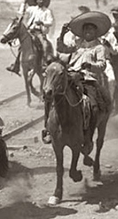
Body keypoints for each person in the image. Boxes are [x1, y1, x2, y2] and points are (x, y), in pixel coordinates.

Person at [44, 11, 113, 150]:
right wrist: (62, 34)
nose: (88, 31)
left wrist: (90, 65)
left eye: (91, 29)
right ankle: (48, 129)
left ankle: (88, 137)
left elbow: (102, 65)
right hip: (71, 76)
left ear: (95, 32)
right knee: (49, 95)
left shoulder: (99, 47)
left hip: (87, 79)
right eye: (86, 29)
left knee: (92, 105)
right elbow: (61, 48)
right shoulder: (78, 44)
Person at [7, 0, 54, 75]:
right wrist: (24, 3)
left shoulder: (47, 11)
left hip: (39, 32)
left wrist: (42, 23)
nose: (41, 1)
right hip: (30, 31)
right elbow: (21, 13)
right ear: (36, 1)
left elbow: (50, 22)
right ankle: (16, 65)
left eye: (42, 0)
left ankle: (44, 64)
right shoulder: (32, 9)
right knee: (21, 46)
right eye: (39, 0)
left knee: (45, 45)